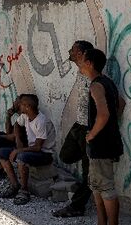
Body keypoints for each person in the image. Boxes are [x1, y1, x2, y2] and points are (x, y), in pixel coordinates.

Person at [80, 48, 125, 225]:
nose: (80, 64)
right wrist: (112, 124)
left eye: (83, 60)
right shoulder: (107, 82)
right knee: (97, 186)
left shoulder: (96, 85)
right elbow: (121, 103)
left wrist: (91, 134)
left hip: (101, 145)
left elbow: (104, 114)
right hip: (107, 142)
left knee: (106, 188)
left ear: (90, 63)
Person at [53, 40, 95, 217]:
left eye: (73, 49)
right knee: (65, 155)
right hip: (79, 124)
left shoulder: (93, 75)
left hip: (89, 128)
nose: (69, 51)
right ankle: (87, 178)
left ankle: (78, 205)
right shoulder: (81, 71)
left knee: (89, 173)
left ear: (81, 53)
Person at [0, 94, 56, 205]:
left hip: (44, 154)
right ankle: (15, 185)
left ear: (28, 106)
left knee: (21, 157)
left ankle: (24, 191)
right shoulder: (25, 116)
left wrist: (18, 150)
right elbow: (16, 125)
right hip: (32, 151)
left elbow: (38, 147)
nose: (18, 106)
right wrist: (18, 139)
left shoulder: (41, 121)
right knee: (1, 152)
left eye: (21, 104)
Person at [0, 95, 27, 182]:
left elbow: (13, 136)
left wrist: (1, 137)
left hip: (23, 144)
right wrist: (8, 116)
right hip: (17, 140)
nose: (13, 102)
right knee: (0, 135)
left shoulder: (24, 117)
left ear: (20, 104)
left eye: (16, 100)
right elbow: (8, 132)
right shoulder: (20, 116)